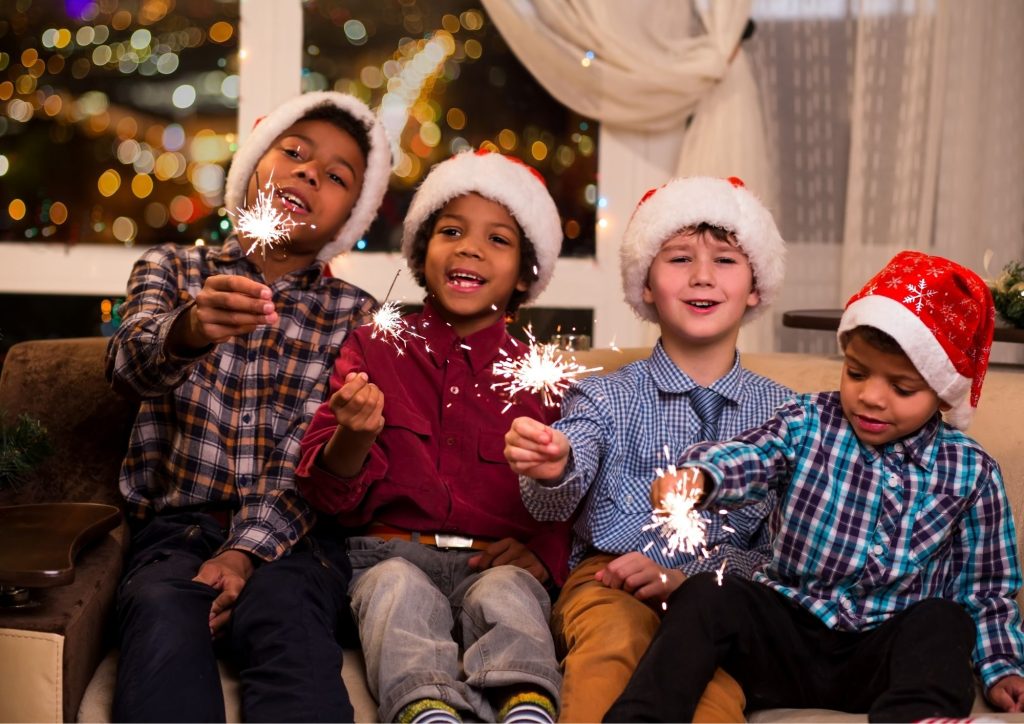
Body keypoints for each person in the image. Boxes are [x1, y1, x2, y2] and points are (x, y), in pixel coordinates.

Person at [607, 250, 1024, 722]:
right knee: (709, 593)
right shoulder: (809, 421)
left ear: (943, 395)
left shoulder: (971, 471)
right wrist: (700, 478)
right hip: (786, 633)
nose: (870, 397)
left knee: (945, 620)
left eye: (902, 389)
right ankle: (642, 716)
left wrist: (1002, 667)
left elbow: (986, 589)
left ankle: (917, 717)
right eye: (857, 372)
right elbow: (754, 456)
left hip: (879, 655)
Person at [105, 90, 392, 722]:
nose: (311, 171)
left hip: (298, 540)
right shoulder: (174, 268)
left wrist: (244, 552)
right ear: (253, 169)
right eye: (294, 152)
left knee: (287, 618)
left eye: (338, 176)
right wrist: (188, 330)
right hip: (176, 529)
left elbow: (311, 451)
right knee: (160, 609)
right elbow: (125, 368)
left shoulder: (356, 315)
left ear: (348, 219)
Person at [295, 149, 570, 724]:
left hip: (493, 564)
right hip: (386, 553)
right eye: (451, 231)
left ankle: (525, 704)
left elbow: (574, 489)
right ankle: (426, 709)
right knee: (396, 590)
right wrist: (353, 435)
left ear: (525, 273)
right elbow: (324, 493)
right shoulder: (374, 346)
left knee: (509, 596)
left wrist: (543, 556)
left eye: (498, 239)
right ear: (424, 251)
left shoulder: (544, 379)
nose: (470, 247)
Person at [504, 176, 792, 722]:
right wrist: (554, 465)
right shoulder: (604, 394)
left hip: (721, 602)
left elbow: (788, 553)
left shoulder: (789, 418)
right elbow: (553, 503)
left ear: (756, 286)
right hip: (608, 583)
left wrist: (695, 582)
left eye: (726, 261)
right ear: (645, 286)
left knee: (715, 695)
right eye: (679, 258)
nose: (702, 276)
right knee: (614, 642)